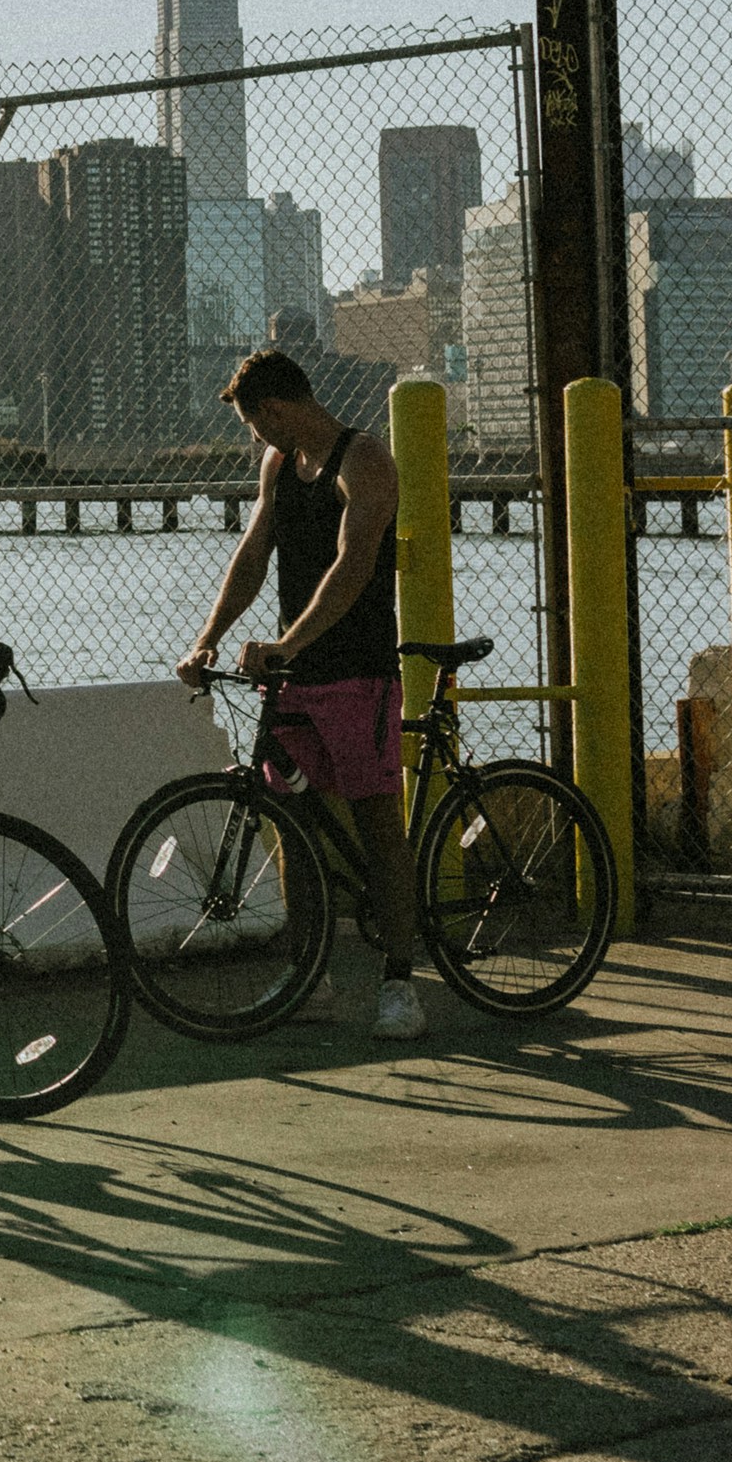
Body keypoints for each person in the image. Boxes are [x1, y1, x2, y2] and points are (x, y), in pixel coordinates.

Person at [181, 347, 419, 1038]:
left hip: (359, 671)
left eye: (254, 423)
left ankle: (400, 983)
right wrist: (208, 638)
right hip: (293, 679)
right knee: (292, 824)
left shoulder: (364, 459)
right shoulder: (279, 464)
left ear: (277, 409)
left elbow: (353, 567)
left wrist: (289, 641)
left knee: (379, 827)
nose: (254, 438)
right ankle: (308, 973)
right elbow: (254, 554)